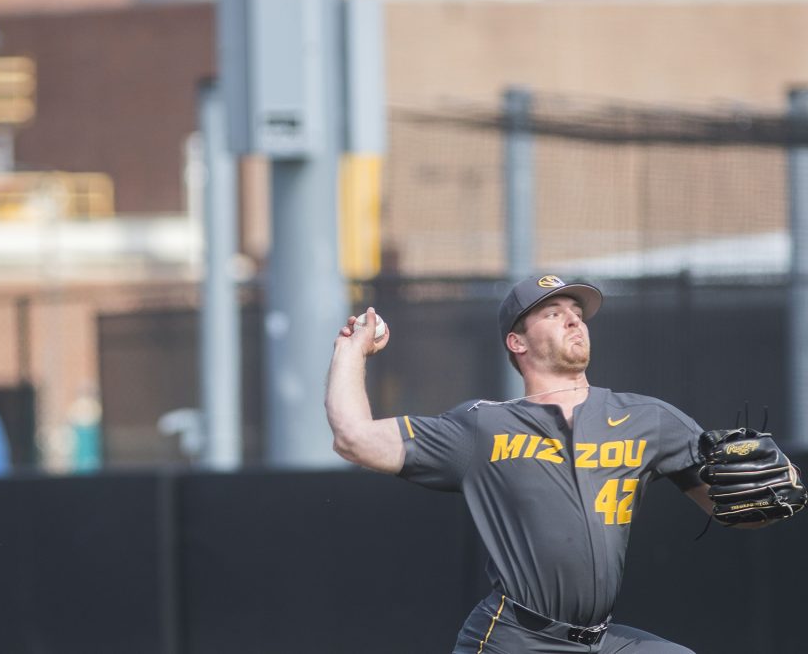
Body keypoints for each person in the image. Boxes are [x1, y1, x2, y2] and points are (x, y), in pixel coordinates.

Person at [325, 274, 802, 653]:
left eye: (577, 313)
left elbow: (734, 508)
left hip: (601, 640)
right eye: (553, 314)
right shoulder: (483, 429)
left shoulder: (646, 418)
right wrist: (351, 352)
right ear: (517, 343)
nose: (574, 321)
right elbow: (355, 438)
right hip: (515, 640)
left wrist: (782, 483)